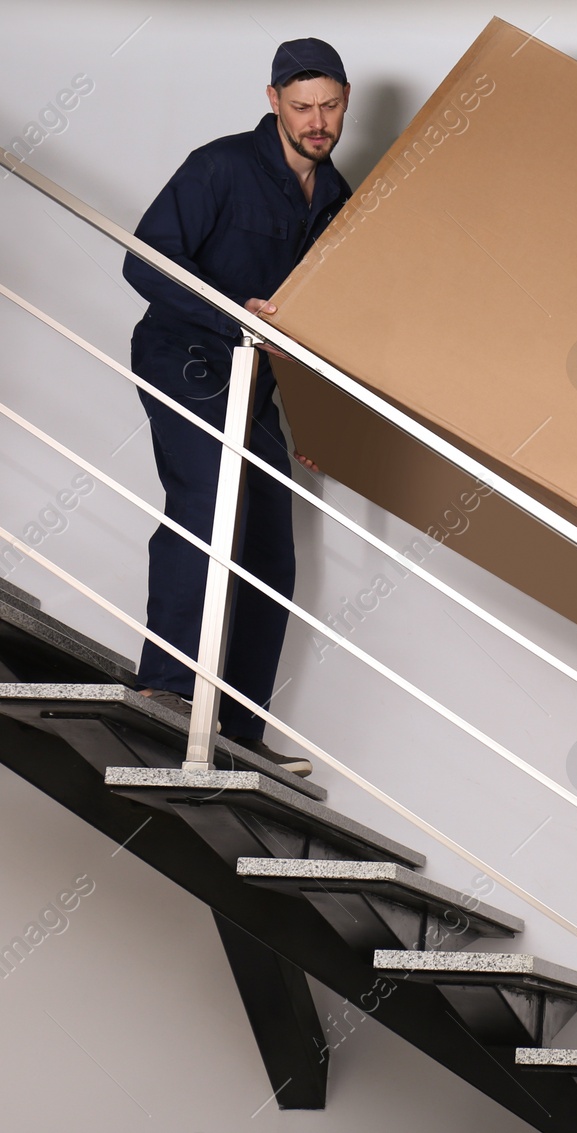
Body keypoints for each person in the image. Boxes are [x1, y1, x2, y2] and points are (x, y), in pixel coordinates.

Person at [122, 38, 354, 775]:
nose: (317, 121)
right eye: (302, 106)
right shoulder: (220, 166)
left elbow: (327, 321)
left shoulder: (338, 197)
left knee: (269, 555)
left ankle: (235, 735)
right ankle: (166, 687)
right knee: (206, 505)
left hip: (257, 387)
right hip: (187, 356)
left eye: (330, 106)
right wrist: (235, 314)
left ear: (345, 101)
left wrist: (318, 422)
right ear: (273, 101)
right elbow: (143, 258)